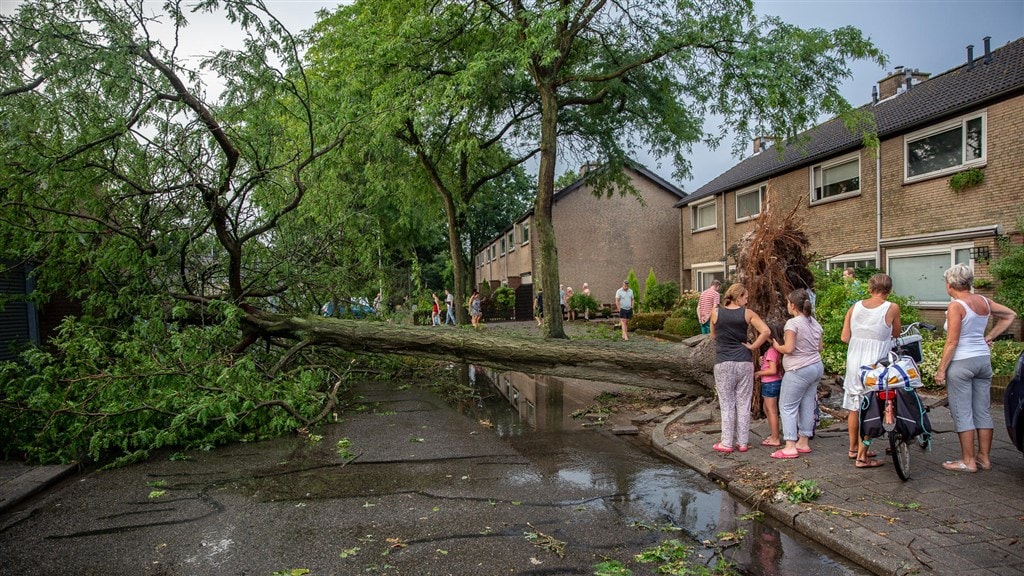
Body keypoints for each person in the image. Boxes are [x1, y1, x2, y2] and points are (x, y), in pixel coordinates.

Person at [935, 264, 1017, 472]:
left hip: (962, 362)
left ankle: (968, 461)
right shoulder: (983, 301)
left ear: (951, 284)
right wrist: (988, 336)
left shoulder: (956, 306)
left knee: (962, 411)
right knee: (982, 409)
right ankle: (984, 458)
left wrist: (941, 369)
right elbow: (1010, 315)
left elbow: (952, 342)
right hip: (982, 360)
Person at [841, 273, 901, 469]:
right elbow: (896, 333)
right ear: (889, 290)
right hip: (875, 365)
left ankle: (852, 448)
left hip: (854, 362)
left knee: (854, 406)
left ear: (869, 289)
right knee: (873, 408)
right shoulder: (891, 308)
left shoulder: (854, 307)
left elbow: (844, 337)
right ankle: (862, 457)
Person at [710, 283, 770, 453]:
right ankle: (743, 442)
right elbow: (765, 331)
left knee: (727, 403)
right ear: (737, 296)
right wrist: (753, 347)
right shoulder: (747, 313)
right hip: (744, 362)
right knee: (743, 403)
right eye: (745, 296)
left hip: (723, 362)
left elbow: (713, 335)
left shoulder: (715, 312)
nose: (747, 299)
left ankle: (726, 443)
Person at [769, 289, 824, 459]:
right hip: (816, 366)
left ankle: (790, 445)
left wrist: (777, 347)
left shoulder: (792, 324)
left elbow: (789, 348)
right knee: (807, 403)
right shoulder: (815, 323)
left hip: (798, 369)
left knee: (787, 406)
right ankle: (803, 441)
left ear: (792, 305)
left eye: (787, 302)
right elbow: (820, 348)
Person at [754, 320, 785, 448]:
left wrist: (759, 373)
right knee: (768, 409)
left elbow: (772, 370)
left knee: (771, 410)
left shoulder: (772, 351)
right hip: (776, 381)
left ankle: (775, 437)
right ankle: (774, 434)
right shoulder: (776, 350)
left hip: (770, 383)